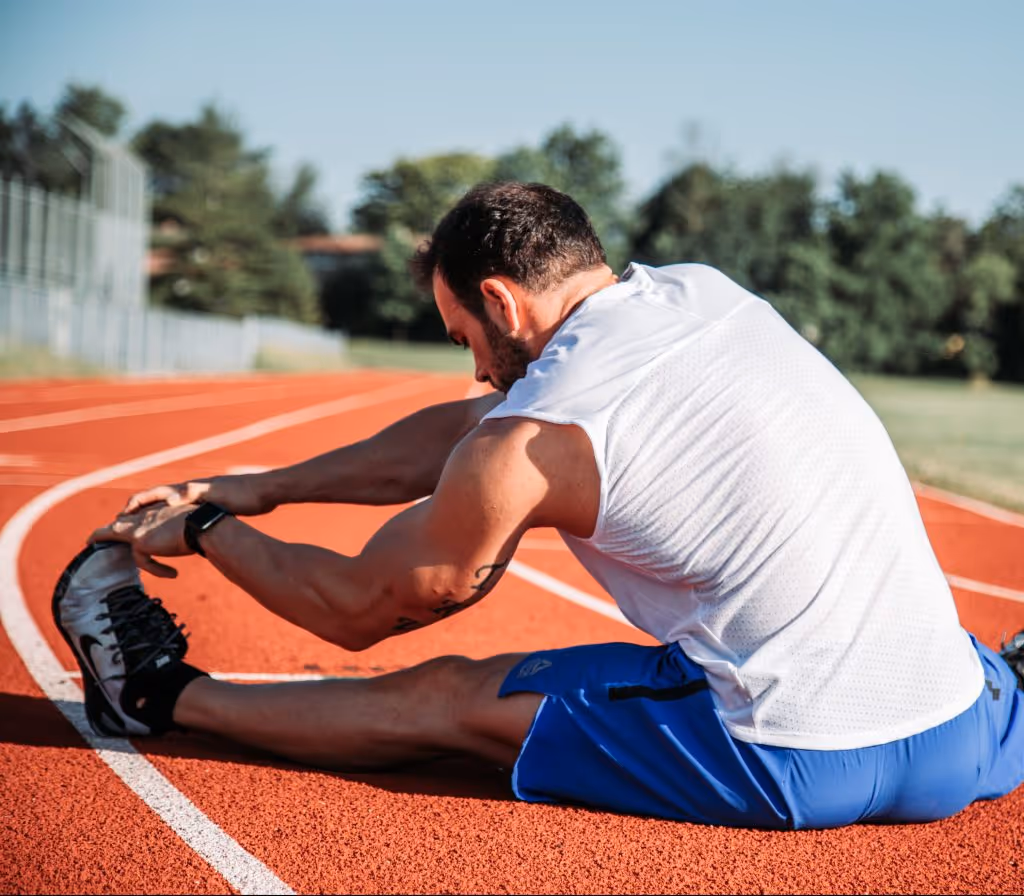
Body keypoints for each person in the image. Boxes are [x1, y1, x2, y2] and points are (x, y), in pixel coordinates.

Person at [55, 182, 1024, 829]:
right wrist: (265, 484)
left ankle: (159, 695)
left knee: (448, 693)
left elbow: (358, 608)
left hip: (790, 756)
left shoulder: (527, 441)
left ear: (499, 301)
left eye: (461, 333)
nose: (473, 366)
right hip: (958, 730)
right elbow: (473, 423)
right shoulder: (700, 294)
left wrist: (213, 529)